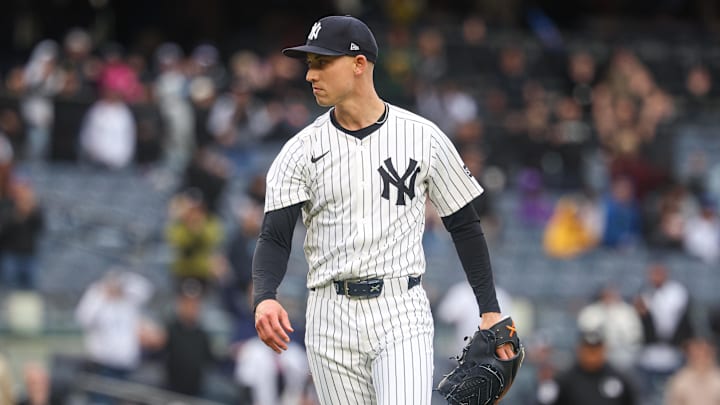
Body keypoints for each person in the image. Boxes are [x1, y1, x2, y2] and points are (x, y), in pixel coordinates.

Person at [251, 15, 515, 405]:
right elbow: (274, 236)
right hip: (329, 315)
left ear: (359, 64)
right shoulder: (299, 151)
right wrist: (265, 296)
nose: (311, 74)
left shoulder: (422, 137)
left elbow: (464, 224)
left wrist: (489, 309)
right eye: (310, 64)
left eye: (322, 62)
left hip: (400, 308)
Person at [547, 331, 638, 405]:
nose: (592, 355)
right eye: (588, 350)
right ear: (579, 350)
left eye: (596, 350)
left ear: (604, 350)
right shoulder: (564, 380)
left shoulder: (619, 379)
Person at [664, 336, 720, 405]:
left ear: (712, 352)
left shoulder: (717, 378)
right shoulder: (679, 380)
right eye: (696, 353)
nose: (701, 355)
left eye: (705, 351)